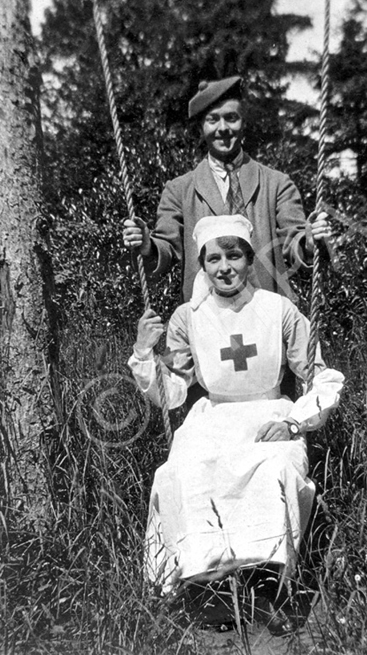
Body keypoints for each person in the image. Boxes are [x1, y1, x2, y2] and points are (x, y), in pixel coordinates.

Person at [128, 215, 344, 635]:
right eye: (213, 258)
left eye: (234, 255)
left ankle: (266, 584)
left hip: (270, 414)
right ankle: (206, 588)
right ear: (203, 265)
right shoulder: (187, 317)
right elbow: (172, 393)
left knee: (273, 470)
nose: (223, 267)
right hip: (212, 417)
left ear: (249, 259)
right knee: (183, 472)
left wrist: (295, 423)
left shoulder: (278, 309)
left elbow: (319, 375)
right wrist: (143, 350)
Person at [123, 75, 333, 302]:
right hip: (207, 320)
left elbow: (294, 244)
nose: (222, 128)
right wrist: (146, 245)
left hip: (266, 316)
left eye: (231, 118)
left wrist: (310, 242)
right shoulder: (179, 190)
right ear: (201, 128)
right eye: (212, 120)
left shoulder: (277, 184)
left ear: (244, 123)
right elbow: (166, 249)